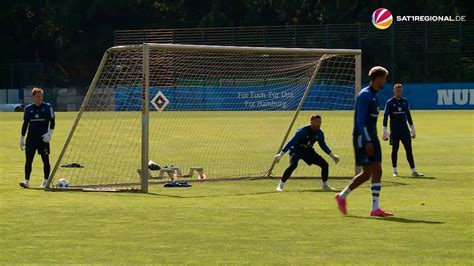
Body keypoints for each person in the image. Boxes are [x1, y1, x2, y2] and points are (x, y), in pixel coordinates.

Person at [335, 66, 394, 217]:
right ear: (378, 78)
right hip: (363, 138)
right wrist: (367, 140)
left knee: (371, 172)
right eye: (384, 78)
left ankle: (345, 197)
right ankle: (368, 206)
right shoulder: (365, 95)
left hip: (371, 137)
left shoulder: (374, 95)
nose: (385, 81)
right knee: (372, 170)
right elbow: (360, 120)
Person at [273, 114, 340, 192]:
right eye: (317, 122)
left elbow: (323, 145)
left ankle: (325, 186)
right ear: (311, 122)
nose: (319, 124)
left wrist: (332, 156)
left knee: (325, 164)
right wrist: (281, 154)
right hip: (296, 150)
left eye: (320, 122)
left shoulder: (319, 133)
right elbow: (291, 142)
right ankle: (280, 185)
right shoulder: (303, 131)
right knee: (293, 165)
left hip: (308, 151)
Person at [382, 83, 423, 177]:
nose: (399, 92)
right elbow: (385, 117)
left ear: (402, 91)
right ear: (394, 91)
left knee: (409, 150)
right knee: (395, 150)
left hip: (405, 130)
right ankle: (395, 171)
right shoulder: (390, 102)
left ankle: (413, 171)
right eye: (397, 90)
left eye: (400, 90)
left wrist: (413, 129)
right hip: (394, 131)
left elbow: (408, 116)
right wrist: (384, 131)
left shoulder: (405, 102)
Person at [19, 87, 55, 188]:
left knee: (45, 160)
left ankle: (46, 180)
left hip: (43, 139)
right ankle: (26, 181)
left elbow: (52, 121)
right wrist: (22, 138)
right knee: (28, 160)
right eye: (38, 96)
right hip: (31, 139)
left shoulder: (48, 107)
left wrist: (49, 134)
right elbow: (25, 124)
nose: (40, 98)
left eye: (41, 96)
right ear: (33, 97)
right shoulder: (28, 109)